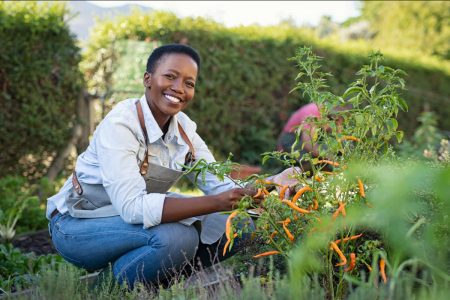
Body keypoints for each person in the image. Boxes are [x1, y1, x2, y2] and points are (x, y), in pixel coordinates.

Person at [46, 44, 262, 288]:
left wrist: (269, 186)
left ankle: (153, 285)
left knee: (241, 224)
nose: (179, 88)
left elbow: (218, 182)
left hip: (128, 223)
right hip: (77, 224)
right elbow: (132, 208)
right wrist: (217, 202)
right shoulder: (121, 124)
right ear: (147, 79)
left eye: (189, 83)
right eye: (170, 76)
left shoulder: (184, 130)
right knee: (178, 238)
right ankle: (105, 291)